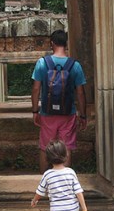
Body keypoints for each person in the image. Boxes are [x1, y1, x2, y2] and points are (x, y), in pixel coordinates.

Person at [31, 29, 87, 174]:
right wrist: (83, 115)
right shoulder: (75, 65)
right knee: (66, 146)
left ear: (52, 43)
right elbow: (80, 92)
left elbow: (36, 89)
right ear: (66, 44)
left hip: (47, 113)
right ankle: (65, 182)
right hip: (68, 113)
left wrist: (35, 111)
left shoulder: (42, 63)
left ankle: (44, 183)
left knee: (45, 146)